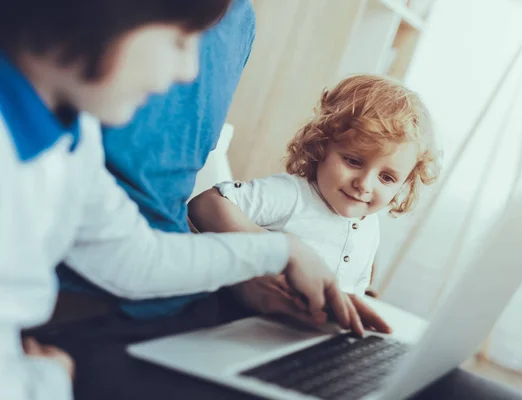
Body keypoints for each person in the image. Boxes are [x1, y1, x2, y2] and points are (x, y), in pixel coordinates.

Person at [0, 1, 360, 398]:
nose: (190, 71)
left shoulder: (72, 132)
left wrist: (282, 251)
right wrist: (46, 383)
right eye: (178, 40)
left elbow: (134, 258)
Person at [57, 0, 260, 320]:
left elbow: (138, 245)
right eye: (178, 39)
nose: (189, 70)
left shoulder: (241, 18)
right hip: (83, 297)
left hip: (169, 282)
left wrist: (270, 262)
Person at [188, 74, 440, 328]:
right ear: (321, 145)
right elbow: (206, 203)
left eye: (386, 178)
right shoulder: (292, 195)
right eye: (353, 161)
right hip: (254, 326)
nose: (364, 184)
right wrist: (275, 247)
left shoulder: (369, 224)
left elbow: (356, 290)